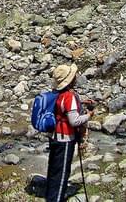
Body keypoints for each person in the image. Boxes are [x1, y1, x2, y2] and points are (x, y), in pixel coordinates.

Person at [46, 63, 91, 202]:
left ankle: (51, 196)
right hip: (65, 138)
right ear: (70, 79)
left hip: (54, 136)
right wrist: (89, 115)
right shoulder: (69, 96)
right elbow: (74, 121)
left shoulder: (57, 93)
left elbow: (61, 109)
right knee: (62, 172)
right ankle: (57, 198)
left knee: (54, 169)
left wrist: (81, 101)